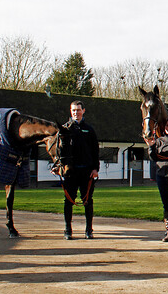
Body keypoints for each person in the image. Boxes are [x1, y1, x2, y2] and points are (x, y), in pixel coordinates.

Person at [61, 101, 99, 240]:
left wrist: (95, 168)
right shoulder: (65, 129)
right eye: (73, 110)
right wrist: (58, 166)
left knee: (87, 201)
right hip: (70, 172)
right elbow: (59, 151)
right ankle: (67, 230)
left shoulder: (89, 129)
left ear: (83, 110)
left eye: (78, 110)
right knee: (68, 201)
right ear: (70, 111)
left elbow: (95, 150)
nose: (76, 113)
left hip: (87, 171)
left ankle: (89, 230)